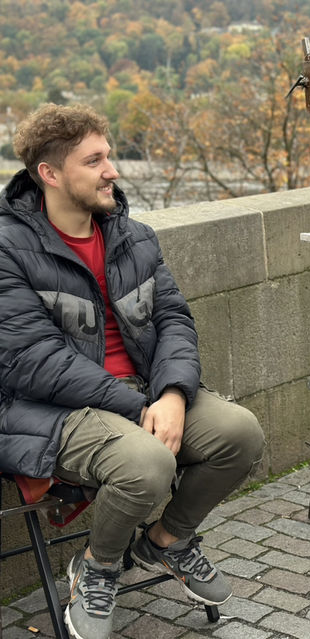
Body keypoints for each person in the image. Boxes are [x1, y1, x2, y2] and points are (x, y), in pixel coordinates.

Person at [0, 103, 265, 639]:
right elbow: (31, 360)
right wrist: (140, 408)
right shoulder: (8, 247)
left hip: (143, 391)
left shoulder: (133, 235)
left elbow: (173, 319)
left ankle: (166, 541)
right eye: (94, 160)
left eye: (109, 155)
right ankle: (96, 567)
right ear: (49, 174)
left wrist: (170, 393)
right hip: (52, 409)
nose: (112, 171)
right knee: (146, 463)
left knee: (240, 433)